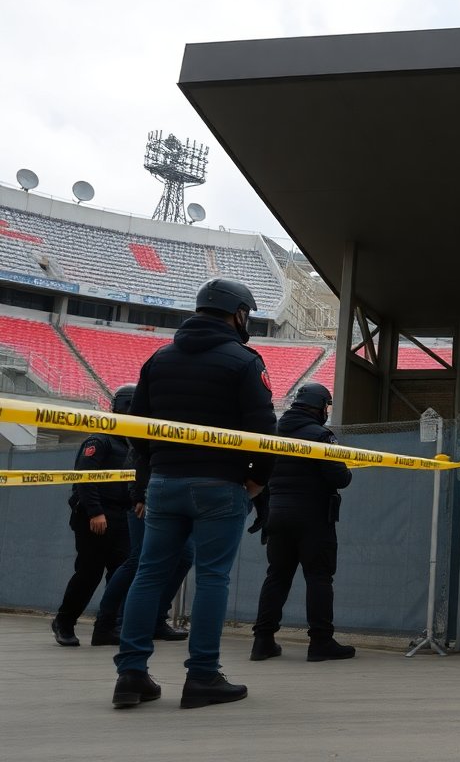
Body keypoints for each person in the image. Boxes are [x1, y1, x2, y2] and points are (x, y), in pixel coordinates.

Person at [112, 278, 276, 710]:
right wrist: (257, 480)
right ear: (239, 314)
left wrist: (152, 474)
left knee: (149, 574)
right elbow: (264, 431)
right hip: (220, 483)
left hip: (165, 482)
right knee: (212, 578)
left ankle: (130, 674)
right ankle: (202, 676)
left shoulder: (158, 359)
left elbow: (137, 430)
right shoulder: (244, 361)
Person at [251, 383, 355, 662]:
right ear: (320, 406)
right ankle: (321, 642)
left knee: (277, 576)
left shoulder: (272, 432)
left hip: (277, 515)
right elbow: (340, 478)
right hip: (313, 517)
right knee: (319, 578)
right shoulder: (321, 435)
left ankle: (262, 641)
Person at [51, 384, 136, 647]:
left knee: (121, 573)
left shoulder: (130, 444)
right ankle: (64, 622)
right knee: (89, 572)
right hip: (95, 515)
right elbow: (85, 480)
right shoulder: (99, 440)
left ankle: (105, 628)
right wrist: (95, 512)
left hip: (122, 516)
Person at [89, 444, 193, 647]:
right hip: (147, 497)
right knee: (138, 560)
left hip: (172, 495)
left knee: (184, 556)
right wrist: (138, 494)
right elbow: (139, 455)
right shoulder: (150, 420)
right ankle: (107, 623)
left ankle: (156, 620)